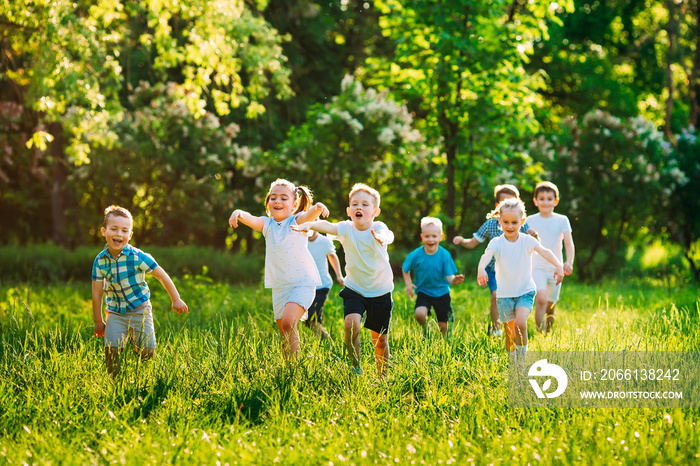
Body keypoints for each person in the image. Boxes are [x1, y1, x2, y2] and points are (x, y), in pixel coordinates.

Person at [293, 183, 393, 378]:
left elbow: (388, 234)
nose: (359, 207)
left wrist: (382, 237)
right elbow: (328, 226)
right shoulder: (346, 228)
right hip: (354, 288)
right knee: (351, 323)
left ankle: (383, 376)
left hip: (380, 291)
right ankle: (355, 368)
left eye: (365, 204)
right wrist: (310, 224)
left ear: (375, 211)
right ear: (348, 210)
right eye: (355, 204)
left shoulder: (379, 227)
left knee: (379, 339)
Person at [228, 179, 329, 359]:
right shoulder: (267, 225)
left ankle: (293, 369)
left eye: (283, 198)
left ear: (294, 204)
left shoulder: (296, 221)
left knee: (289, 323)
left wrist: (318, 207)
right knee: (284, 330)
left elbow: (308, 216)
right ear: (268, 202)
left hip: (302, 283)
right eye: (273, 198)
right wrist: (237, 213)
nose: (277, 201)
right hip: (280, 286)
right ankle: (289, 368)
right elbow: (250, 218)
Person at [92, 205, 188, 378]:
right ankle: (114, 381)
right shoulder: (99, 261)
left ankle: (135, 343)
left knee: (147, 351)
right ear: (103, 231)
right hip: (115, 312)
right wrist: (98, 321)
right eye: (113, 229)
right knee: (111, 349)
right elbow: (97, 293)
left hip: (140, 309)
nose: (119, 234)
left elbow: (162, 276)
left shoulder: (137, 256)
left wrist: (176, 299)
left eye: (124, 230)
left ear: (130, 235)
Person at [476, 198, 563, 362]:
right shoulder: (497, 242)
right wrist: (481, 268)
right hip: (504, 295)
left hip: (525, 291)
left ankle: (521, 360)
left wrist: (558, 265)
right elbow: (486, 255)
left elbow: (544, 251)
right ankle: (512, 360)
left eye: (514, 222)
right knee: (510, 332)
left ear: (522, 221)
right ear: (499, 221)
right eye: (506, 222)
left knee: (520, 323)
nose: (510, 226)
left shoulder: (527, 240)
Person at [453, 184, 536, 337]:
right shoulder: (491, 224)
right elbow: (473, 242)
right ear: (498, 206)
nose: (508, 205)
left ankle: (516, 324)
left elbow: (533, 244)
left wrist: (535, 236)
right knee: (496, 294)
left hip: (514, 272)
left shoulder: (521, 224)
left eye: (512, 201)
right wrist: (463, 241)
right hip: (493, 270)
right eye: (504, 202)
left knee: (515, 298)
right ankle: (496, 329)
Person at [402, 217, 464, 337]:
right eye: (427, 236)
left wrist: (454, 280)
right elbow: (405, 269)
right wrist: (409, 284)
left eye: (434, 236)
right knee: (419, 313)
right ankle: (426, 330)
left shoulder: (444, 255)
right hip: (423, 292)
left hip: (442, 293)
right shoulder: (416, 255)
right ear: (422, 237)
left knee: (443, 327)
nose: (430, 239)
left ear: (441, 237)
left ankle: (444, 343)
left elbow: (449, 277)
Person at [526, 181, 575, 334]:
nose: (545, 202)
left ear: (556, 201)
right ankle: (539, 332)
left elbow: (569, 244)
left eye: (549, 198)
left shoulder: (562, 220)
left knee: (550, 304)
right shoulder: (529, 221)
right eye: (541, 198)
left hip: (556, 268)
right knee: (540, 298)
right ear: (535, 201)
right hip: (537, 267)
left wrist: (569, 262)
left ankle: (548, 332)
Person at [306, 229, 345, 339]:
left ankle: (326, 342)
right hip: (305, 286)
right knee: (306, 320)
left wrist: (339, 275)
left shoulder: (324, 241)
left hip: (322, 285)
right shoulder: (300, 240)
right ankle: (325, 337)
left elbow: (332, 256)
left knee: (312, 318)